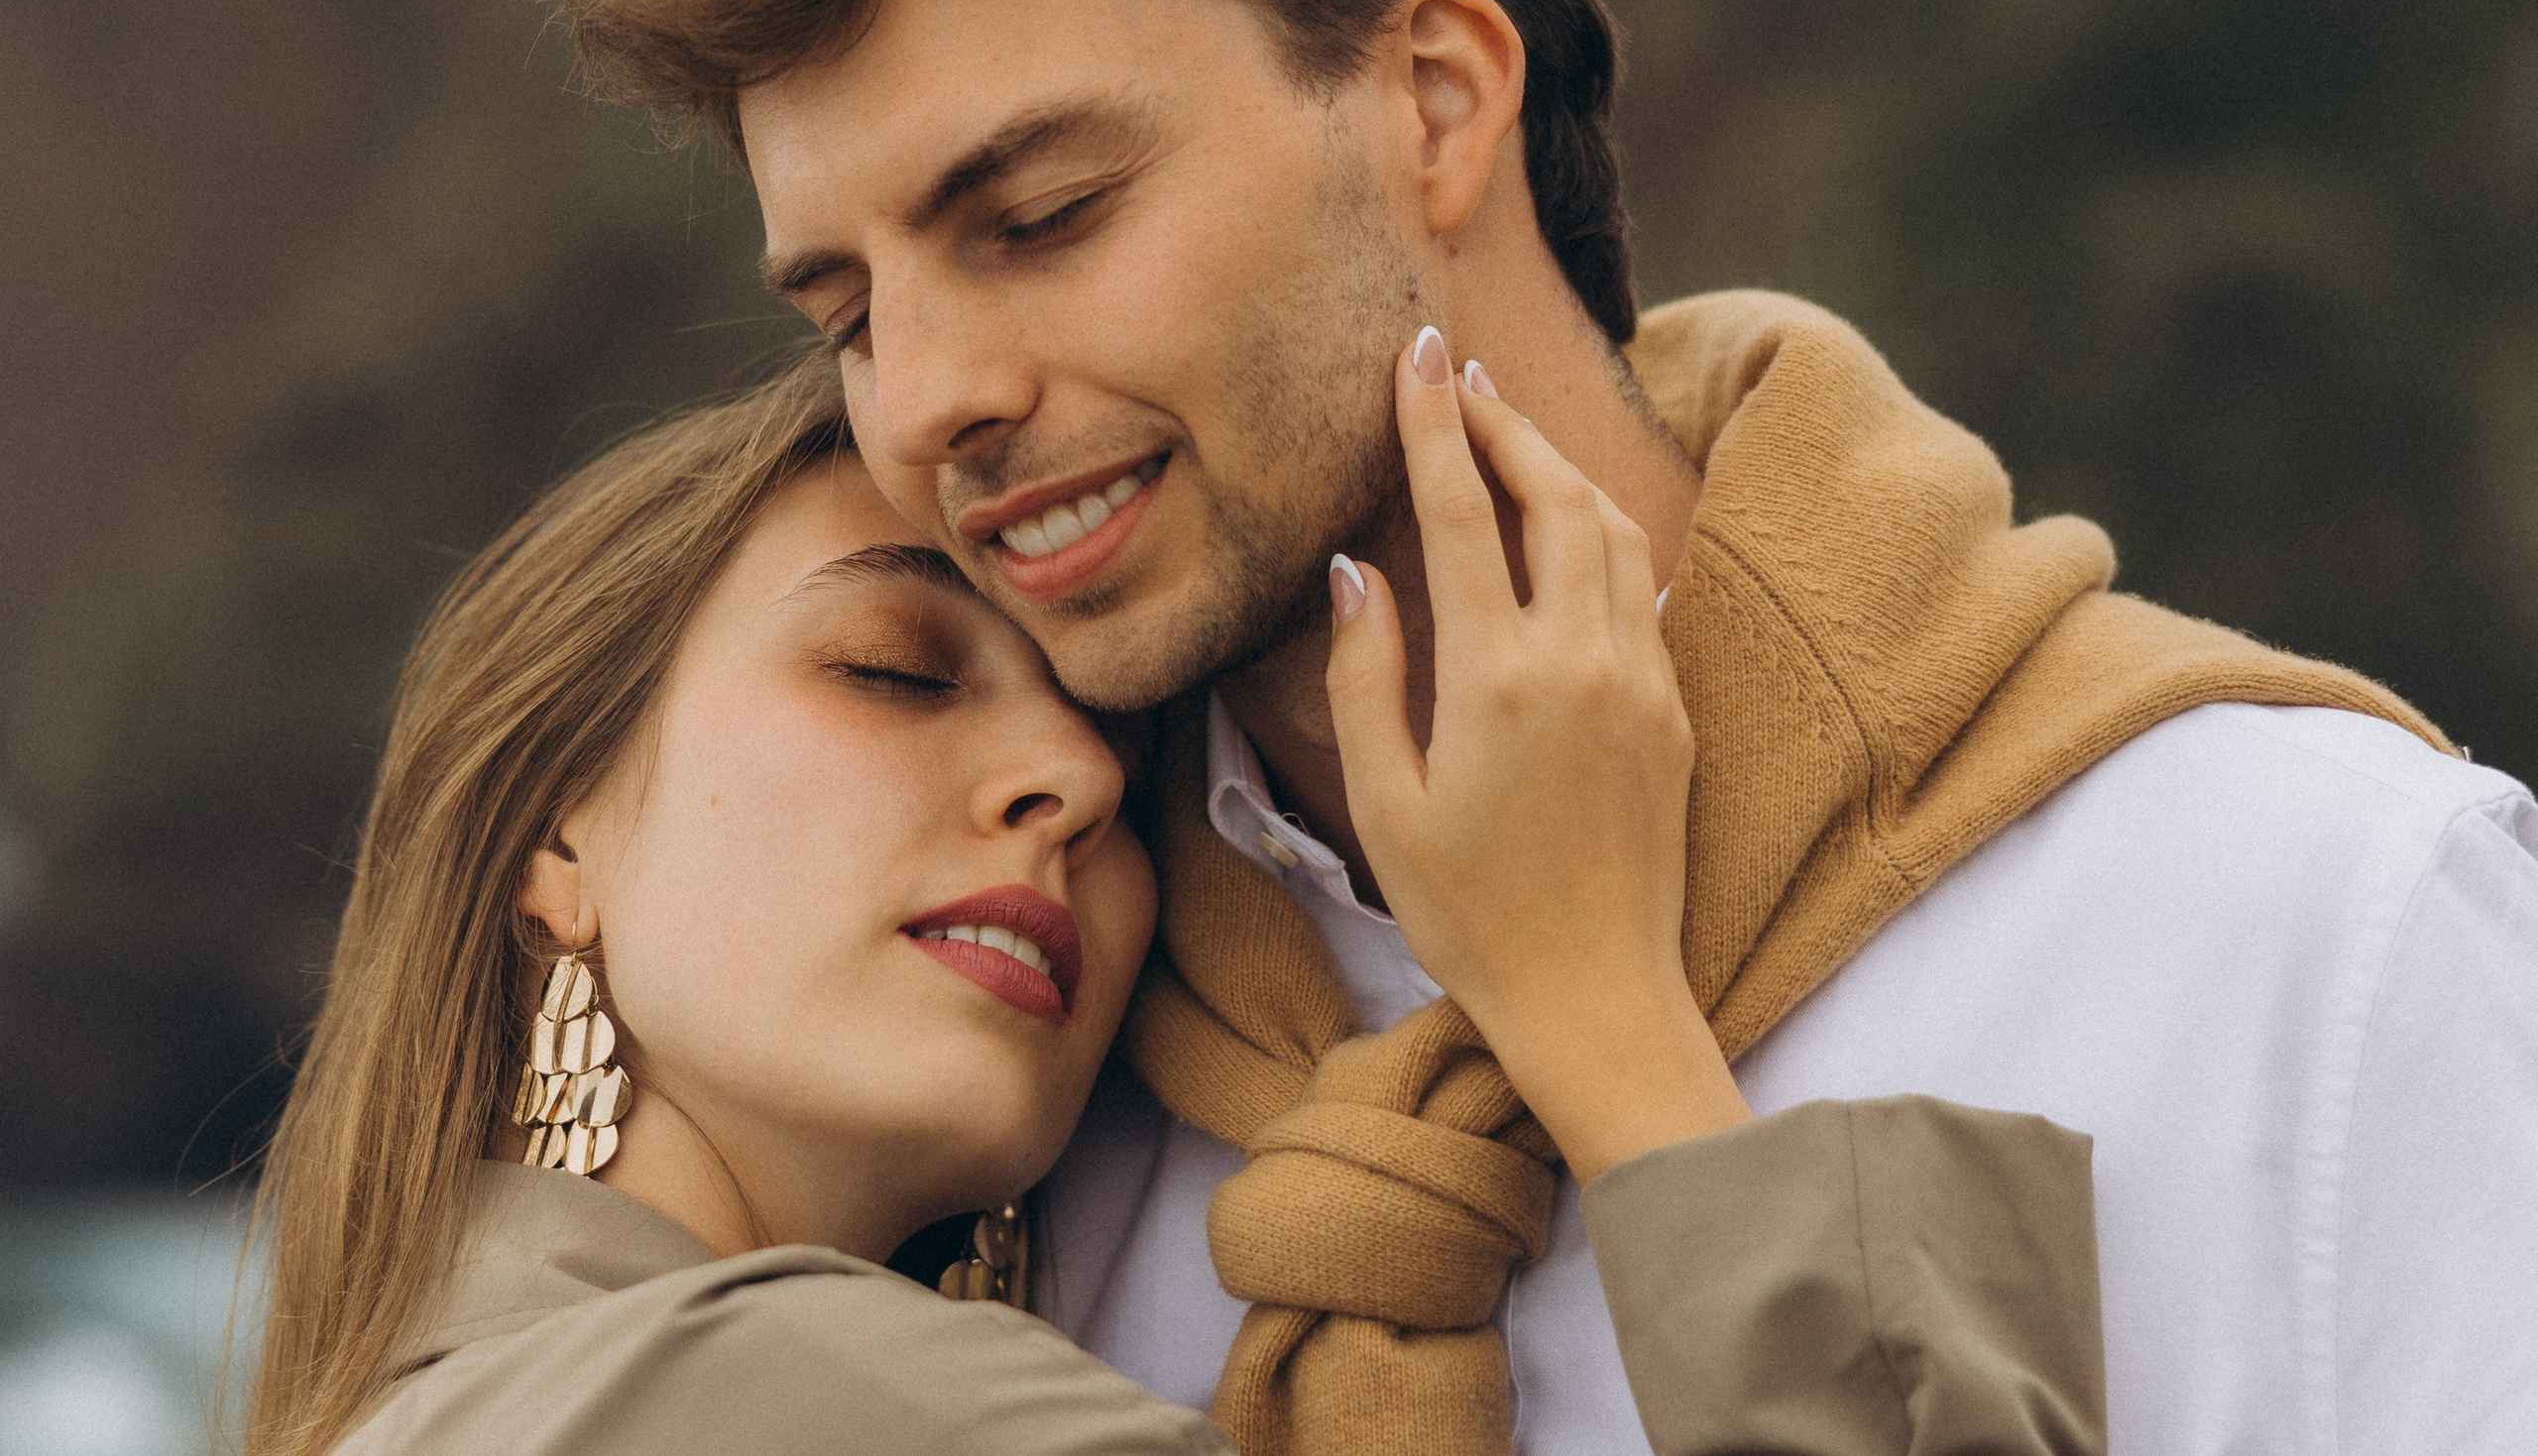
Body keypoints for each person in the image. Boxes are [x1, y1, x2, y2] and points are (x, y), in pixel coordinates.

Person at [558, 0, 2538, 1452]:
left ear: (1432, 99)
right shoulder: (1002, 1090)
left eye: (1041, 217)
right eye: (843, 312)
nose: (924, 402)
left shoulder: (2318, 930)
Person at [243, 352, 2107, 1456]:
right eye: (897, 666)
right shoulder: (738, 1397)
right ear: (545, 847)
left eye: (1129, 775)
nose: (1061, 786)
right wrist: (1599, 1007)